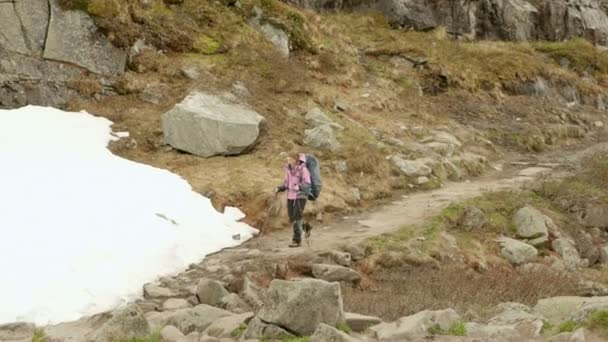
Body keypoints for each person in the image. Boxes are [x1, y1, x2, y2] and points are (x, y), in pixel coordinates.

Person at [276, 152, 311, 247]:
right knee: (292, 217)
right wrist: (281, 188)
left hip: (300, 195)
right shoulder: (288, 169)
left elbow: (307, 183)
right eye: (288, 159)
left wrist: (299, 187)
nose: (288, 161)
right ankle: (306, 227)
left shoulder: (303, 170)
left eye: (290, 159)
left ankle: (296, 240)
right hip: (290, 196)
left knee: (296, 216)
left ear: (296, 160)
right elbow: (287, 182)